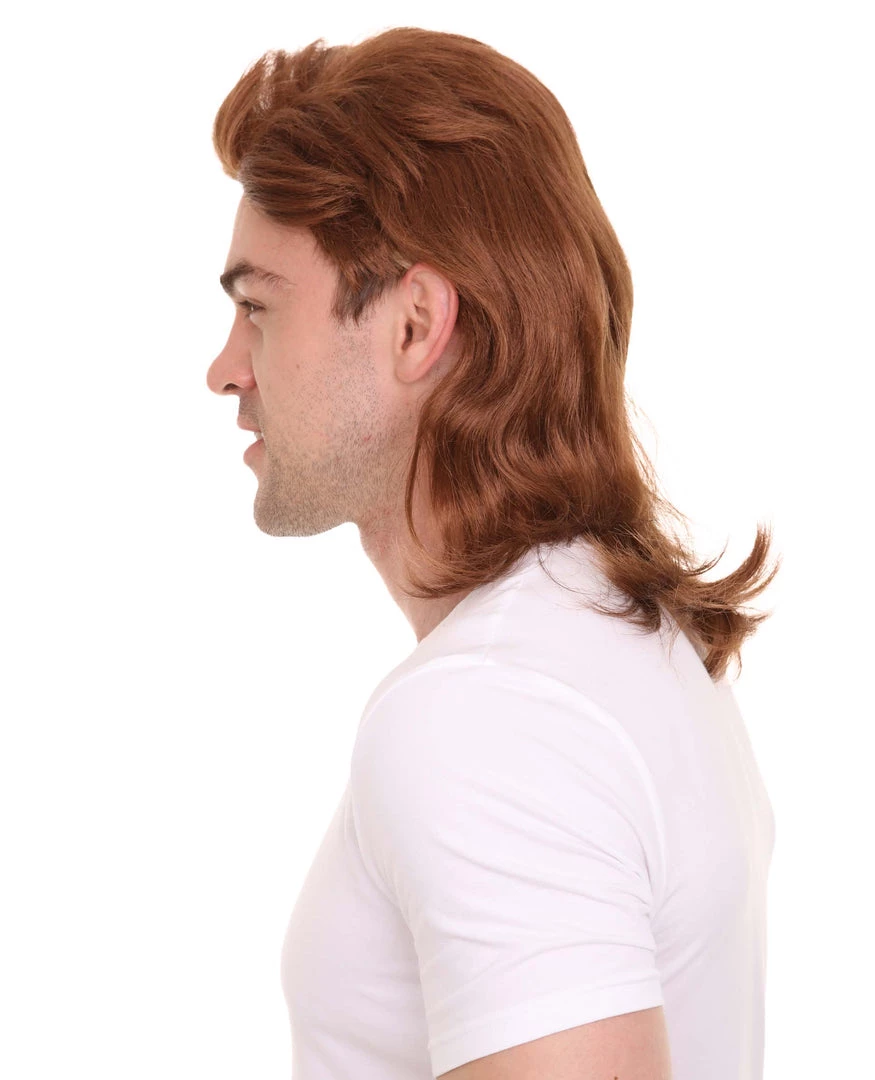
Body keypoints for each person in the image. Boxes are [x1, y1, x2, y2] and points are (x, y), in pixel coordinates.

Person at [207, 26, 781, 1080]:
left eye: (257, 309)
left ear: (415, 324)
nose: (225, 368)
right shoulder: (607, 644)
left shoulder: (486, 710)